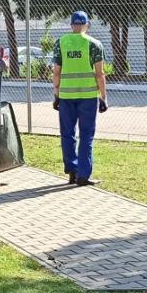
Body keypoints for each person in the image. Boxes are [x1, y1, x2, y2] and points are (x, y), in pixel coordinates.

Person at [51, 10, 109, 186]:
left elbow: (56, 71)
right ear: (87, 26)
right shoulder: (94, 44)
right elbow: (100, 74)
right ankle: (83, 175)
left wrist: (56, 94)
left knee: (67, 134)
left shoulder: (61, 43)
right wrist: (103, 97)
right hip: (88, 97)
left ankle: (72, 171)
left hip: (66, 96)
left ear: (71, 25)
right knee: (86, 135)